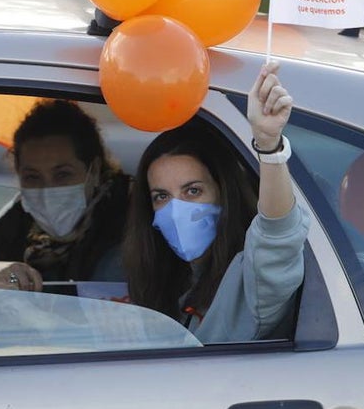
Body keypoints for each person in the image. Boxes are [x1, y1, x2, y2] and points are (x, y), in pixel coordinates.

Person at [122, 59, 309, 342]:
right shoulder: (171, 281)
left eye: (193, 191)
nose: (176, 210)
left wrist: (269, 147)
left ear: (224, 194)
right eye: (162, 196)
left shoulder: (249, 285)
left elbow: (278, 235)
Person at [0, 99, 131, 291]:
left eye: (62, 174)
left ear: (94, 171)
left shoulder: (131, 215)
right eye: (32, 177)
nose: (47, 190)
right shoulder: (19, 213)